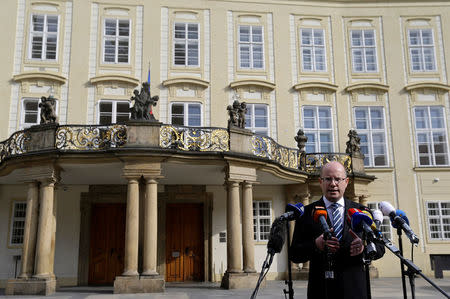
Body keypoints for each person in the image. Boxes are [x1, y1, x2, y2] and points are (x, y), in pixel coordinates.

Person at [289, 161, 384, 299]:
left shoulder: (362, 211)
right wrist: (316, 244)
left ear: (346, 182)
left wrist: (364, 248)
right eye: (328, 179)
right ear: (320, 182)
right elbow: (295, 254)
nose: (333, 184)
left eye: (338, 179)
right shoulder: (307, 213)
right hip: (321, 290)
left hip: (355, 289)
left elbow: (380, 248)